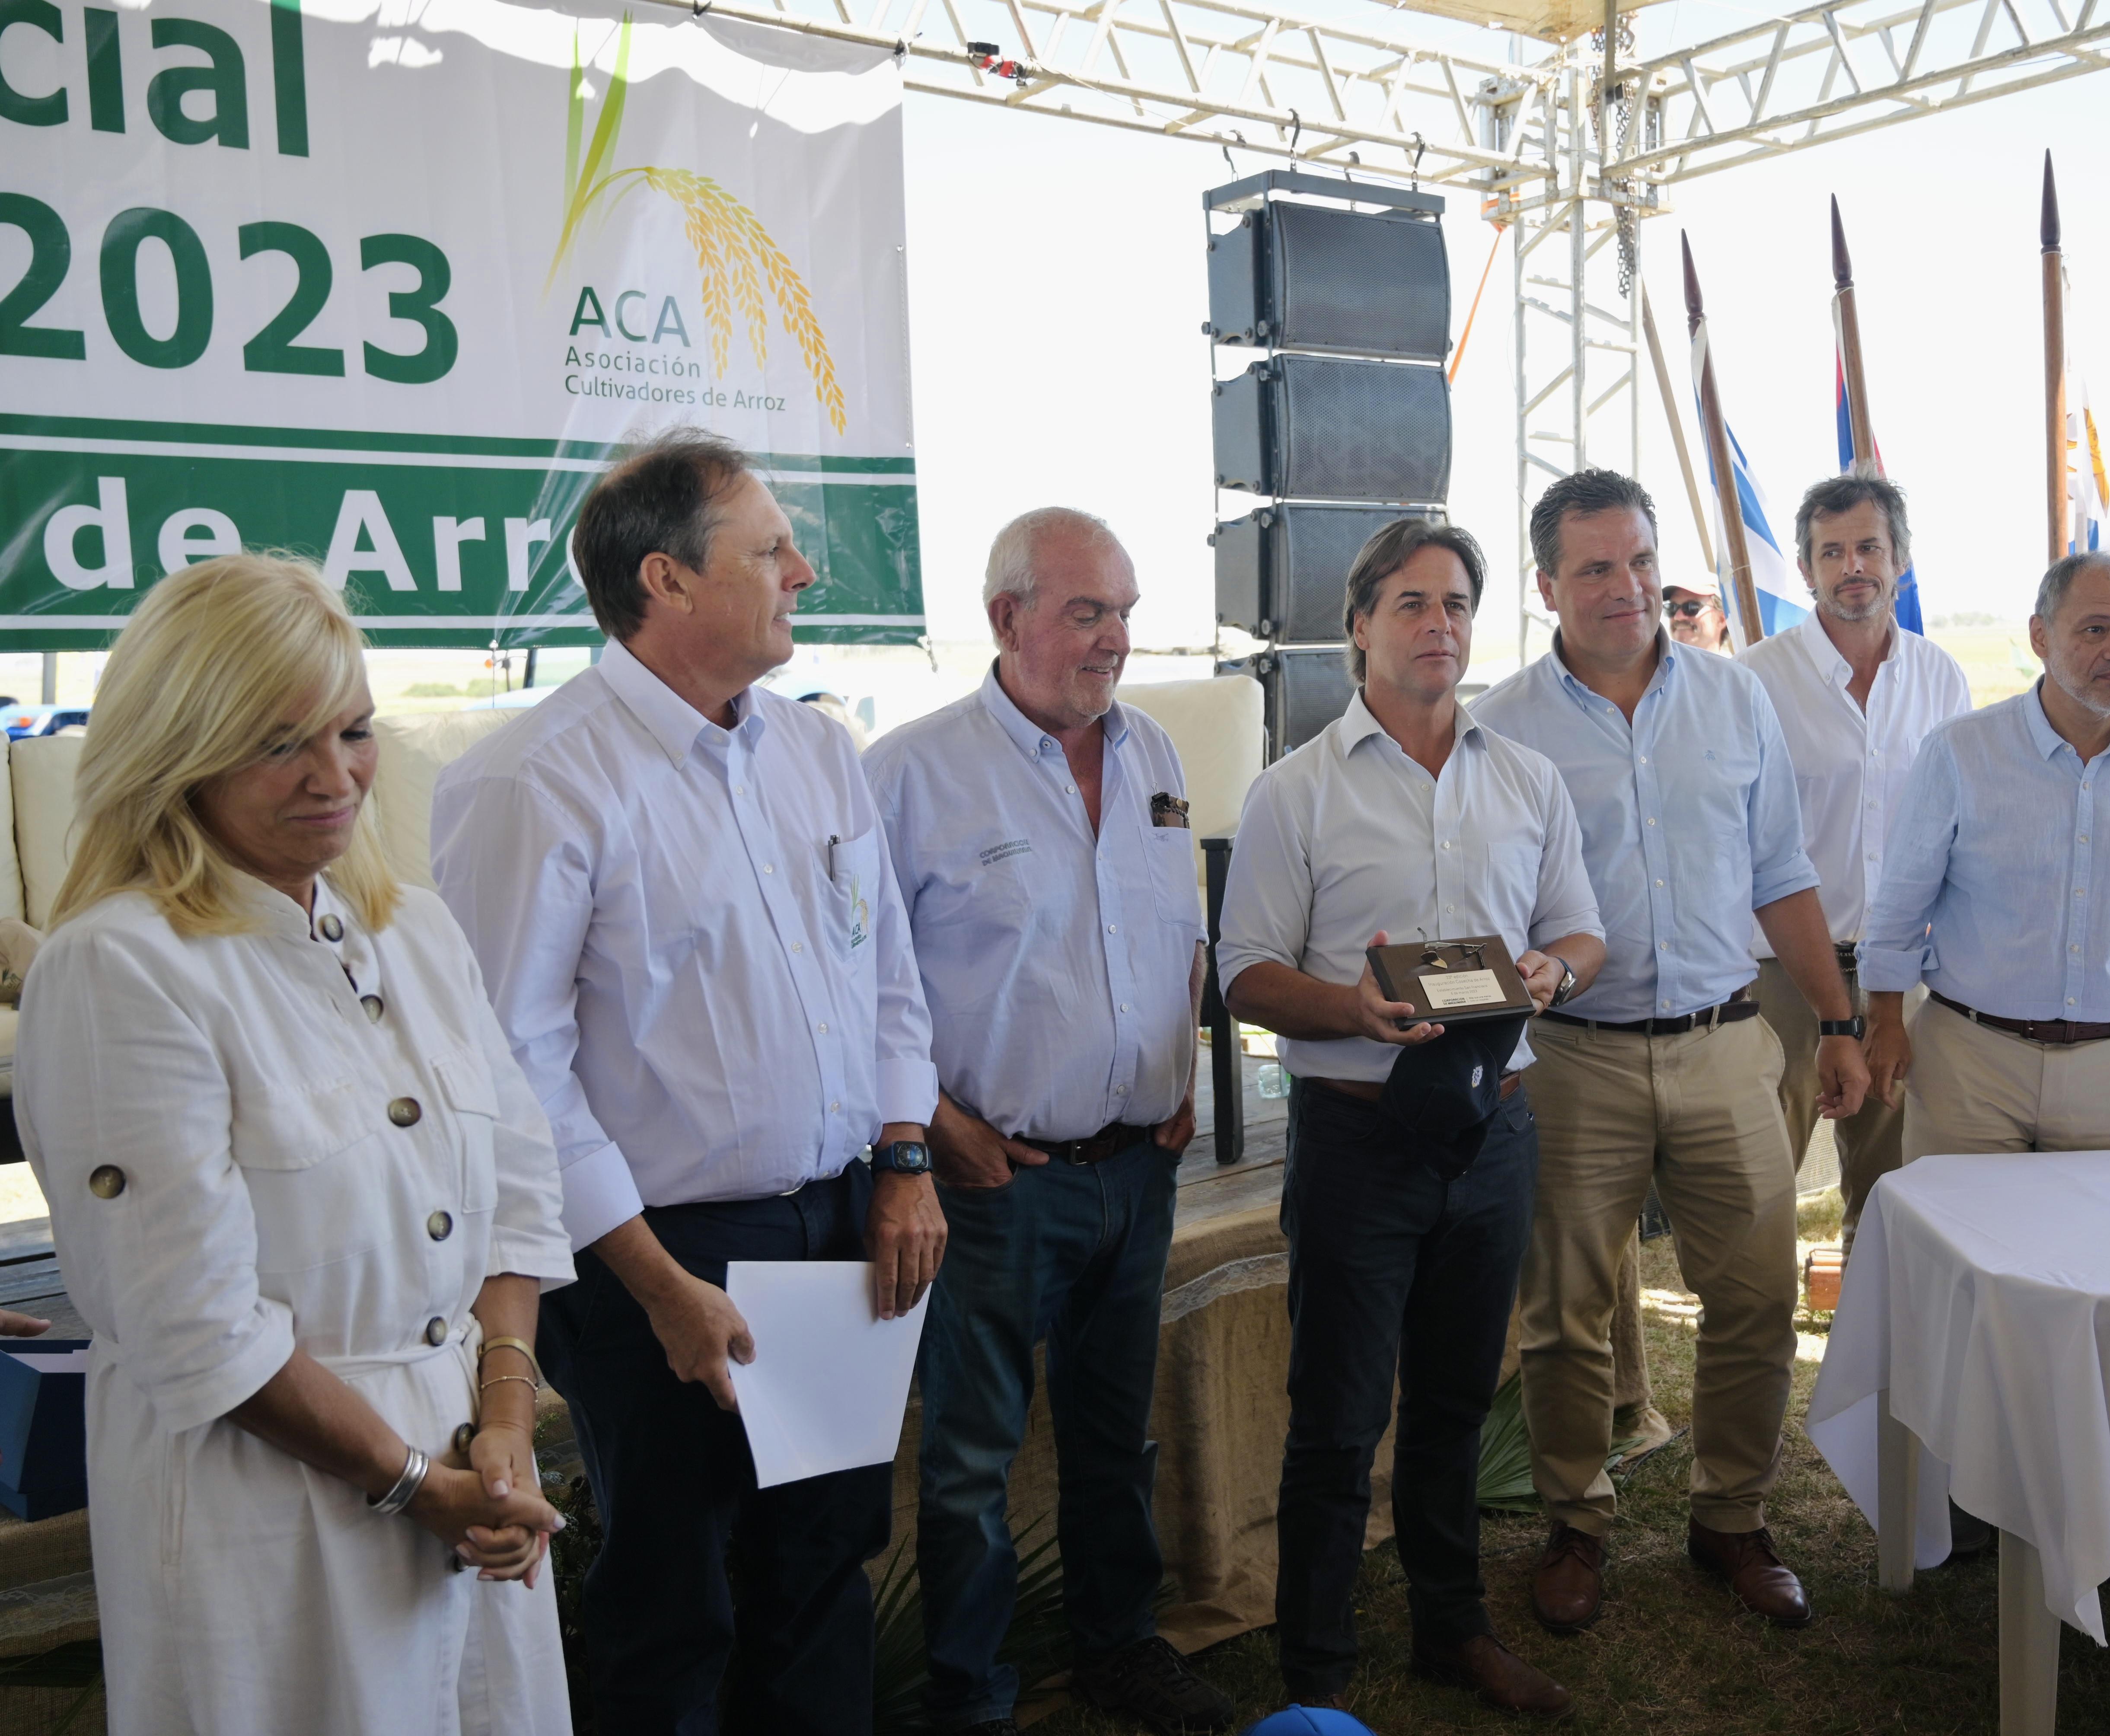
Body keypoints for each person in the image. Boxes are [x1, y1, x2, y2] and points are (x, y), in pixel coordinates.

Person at [433, 429, 946, 1731]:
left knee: (823, 1567)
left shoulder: (818, 753)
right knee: (675, 1599)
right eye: (771, 549)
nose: (805, 571)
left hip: (841, 1229)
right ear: (666, 581)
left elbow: (886, 976)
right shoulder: (533, 780)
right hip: (651, 1257)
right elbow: (511, 1069)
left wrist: (901, 1161)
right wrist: (656, 1282)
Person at [16, 555, 574, 1734]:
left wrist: (506, 1426)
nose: (337, 778)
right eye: (280, 745)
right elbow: (195, 1321)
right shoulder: (120, 965)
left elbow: (519, 1192)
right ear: (181, 754)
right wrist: (419, 1483)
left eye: (355, 731)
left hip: (470, 1470)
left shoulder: (412, 929)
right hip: (264, 1506)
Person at [1470, 469, 1869, 1638]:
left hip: (1725, 1041)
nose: (1625, 587)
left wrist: (1837, 1020)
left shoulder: (1739, 702)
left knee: (1754, 1299)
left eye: (1640, 561)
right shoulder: (1501, 724)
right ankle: (1577, 1525)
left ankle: (1731, 1520)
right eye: (1594, 568)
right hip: (1575, 1060)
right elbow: (1488, 907)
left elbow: (1782, 873)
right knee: (1566, 1313)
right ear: (1547, 584)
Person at [1217, 519, 1606, 1717]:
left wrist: (1554, 976)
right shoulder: (1295, 791)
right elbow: (1241, 973)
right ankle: (1317, 1683)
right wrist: (1349, 1006)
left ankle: (1452, 1632)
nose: (1440, 627)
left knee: (1450, 1406)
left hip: (1494, 1137)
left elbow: (1583, 931)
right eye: (1412, 606)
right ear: (1359, 631)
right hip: (1358, 1143)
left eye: (1455, 606)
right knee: (1337, 1422)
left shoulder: (1529, 779)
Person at [864, 509, 1232, 1736]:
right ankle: (973, 1698)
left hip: (1137, 1174)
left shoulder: (1157, 755)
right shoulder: (906, 775)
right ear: (1006, 618)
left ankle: (1120, 1649)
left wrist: (1181, 1065)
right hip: (993, 1184)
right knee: (970, 1464)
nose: (1115, 638)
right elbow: (862, 983)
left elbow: (1174, 928)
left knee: (1113, 1436)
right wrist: (933, 1125)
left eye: (1125, 612)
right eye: (1088, 612)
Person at [1862, 551, 2110, 1162]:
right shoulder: (1960, 752)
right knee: (1963, 1246)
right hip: (1973, 1064)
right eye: (2096, 629)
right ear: (2040, 636)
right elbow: (1900, 901)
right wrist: (1886, 1017)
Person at [1737, 474, 1969, 1245]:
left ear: (1899, 559)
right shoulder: (1755, 682)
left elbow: (1957, 834)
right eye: (1831, 552)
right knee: (1758, 1193)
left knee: (1893, 1195)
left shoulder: (1941, 679)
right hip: (1780, 976)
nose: (1852, 567)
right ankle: (1758, 1361)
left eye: (1868, 547)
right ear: (1805, 569)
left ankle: (1877, 1364)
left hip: (1899, 979)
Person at [1660, 582, 1731, 653]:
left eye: (1692, 607)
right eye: (1672, 608)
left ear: (1721, 620)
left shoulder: (1734, 664)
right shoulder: (1657, 663)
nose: (1678, 617)